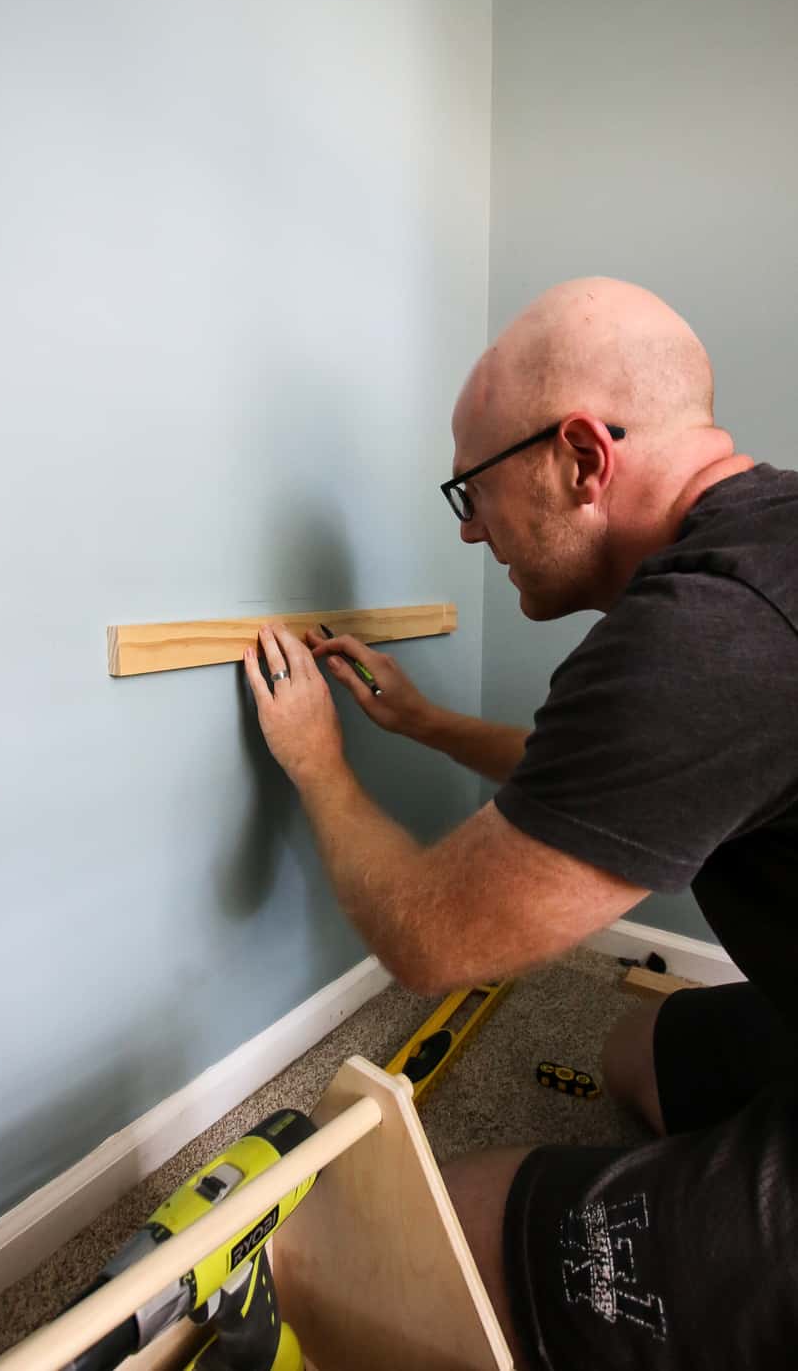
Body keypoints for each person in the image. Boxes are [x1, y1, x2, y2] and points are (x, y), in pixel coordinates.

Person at [243, 277, 798, 1370]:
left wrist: (318, 766)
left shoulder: (709, 638)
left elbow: (430, 940)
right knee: (634, 1049)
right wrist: (431, 726)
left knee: (363, 1246)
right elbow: (619, 787)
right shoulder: (760, 554)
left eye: (473, 492)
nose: (469, 533)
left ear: (582, 458)